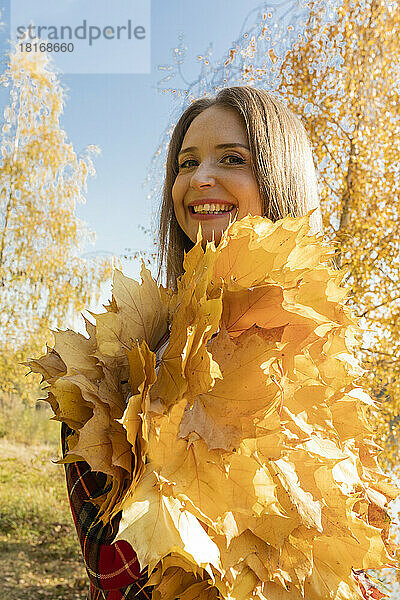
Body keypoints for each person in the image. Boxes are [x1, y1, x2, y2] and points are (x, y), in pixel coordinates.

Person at [61, 86, 325, 600]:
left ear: (283, 176)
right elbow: (111, 568)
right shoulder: (124, 359)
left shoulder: (320, 354)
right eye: (186, 162)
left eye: (232, 158)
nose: (199, 177)